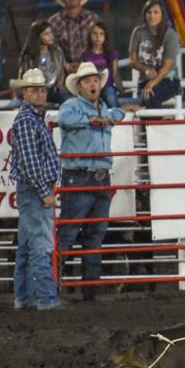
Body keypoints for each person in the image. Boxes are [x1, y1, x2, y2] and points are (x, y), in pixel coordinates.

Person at [56, 62, 131, 300]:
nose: (93, 84)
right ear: (79, 86)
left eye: (95, 80)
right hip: (80, 176)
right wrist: (94, 120)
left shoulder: (105, 108)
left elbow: (119, 113)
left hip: (98, 179)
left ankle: (90, 289)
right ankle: (51, 286)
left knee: (95, 235)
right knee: (69, 233)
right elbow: (64, 119)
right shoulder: (71, 106)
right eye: (88, 81)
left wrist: (108, 116)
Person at [9, 69, 62, 311]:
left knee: (27, 245)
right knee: (40, 245)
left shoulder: (30, 119)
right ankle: (47, 299)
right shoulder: (28, 121)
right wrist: (44, 192)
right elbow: (31, 164)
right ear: (24, 93)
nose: (40, 93)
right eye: (35, 89)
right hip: (35, 191)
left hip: (30, 191)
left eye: (42, 89)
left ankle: (24, 297)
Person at [128, 0, 182, 108]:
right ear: (144, 14)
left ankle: (151, 124)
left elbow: (167, 66)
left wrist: (151, 84)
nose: (152, 16)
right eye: (149, 12)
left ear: (162, 14)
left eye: (156, 12)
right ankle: (155, 124)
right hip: (145, 80)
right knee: (146, 99)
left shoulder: (170, 35)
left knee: (149, 97)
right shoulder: (138, 32)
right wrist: (145, 69)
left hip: (169, 78)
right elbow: (132, 61)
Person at [48, 0, 100, 74]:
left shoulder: (92, 19)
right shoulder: (54, 22)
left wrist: (85, 64)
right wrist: (65, 65)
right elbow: (50, 51)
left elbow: (101, 47)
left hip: (91, 70)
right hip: (63, 73)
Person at [18, 20, 68, 106]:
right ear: (38, 36)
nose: (50, 36)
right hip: (35, 90)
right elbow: (23, 77)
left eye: (51, 33)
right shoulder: (29, 56)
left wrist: (60, 83)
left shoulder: (57, 51)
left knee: (67, 101)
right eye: (46, 34)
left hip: (53, 89)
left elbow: (62, 70)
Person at [79, 21, 122, 107]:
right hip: (91, 87)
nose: (98, 37)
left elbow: (115, 74)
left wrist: (120, 87)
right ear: (90, 36)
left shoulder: (111, 54)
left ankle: (117, 118)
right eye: (95, 34)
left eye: (101, 34)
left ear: (105, 37)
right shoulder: (85, 55)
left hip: (107, 86)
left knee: (110, 97)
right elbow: (82, 74)